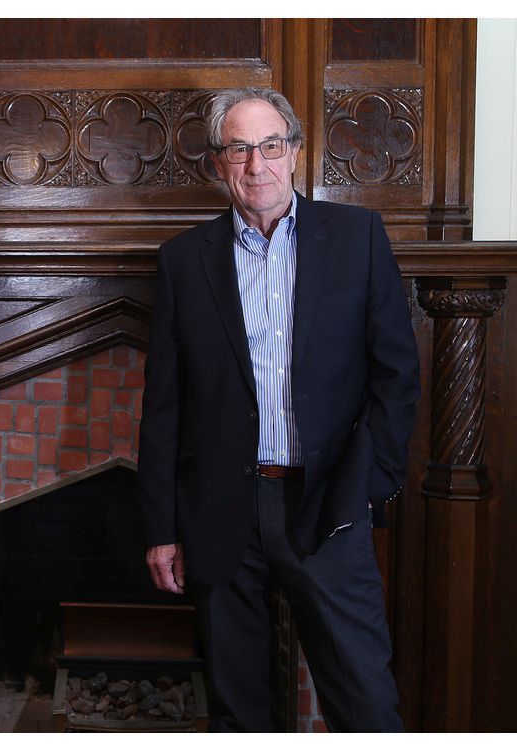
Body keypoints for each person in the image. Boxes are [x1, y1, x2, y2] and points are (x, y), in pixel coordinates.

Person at [137, 88, 420, 732]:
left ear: (294, 152)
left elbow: (397, 374)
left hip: (326, 502)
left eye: (269, 146)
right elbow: (164, 405)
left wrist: (368, 483)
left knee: (365, 703)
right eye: (239, 149)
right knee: (239, 710)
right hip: (219, 512)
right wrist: (161, 525)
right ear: (218, 163)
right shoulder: (185, 261)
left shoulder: (356, 237)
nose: (255, 163)